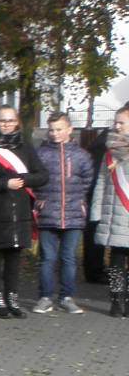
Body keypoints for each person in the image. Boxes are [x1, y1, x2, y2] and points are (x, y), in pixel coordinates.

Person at [0, 105, 44, 319]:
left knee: (14, 259)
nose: (6, 124)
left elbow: (42, 175)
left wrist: (23, 181)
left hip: (19, 212)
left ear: (17, 123)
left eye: (10, 120)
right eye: (2, 120)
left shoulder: (26, 148)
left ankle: (13, 300)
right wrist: (5, 184)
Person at [34, 111, 95, 313]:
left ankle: (67, 296)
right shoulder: (40, 154)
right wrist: (40, 203)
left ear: (70, 129)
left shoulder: (82, 156)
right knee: (47, 258)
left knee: (69, 258)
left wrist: (77, 203)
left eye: (59, 129)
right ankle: (45, 297)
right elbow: (34, 182)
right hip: (47, 214)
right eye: (51, 130)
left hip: (74, 214)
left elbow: (87, 182)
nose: (54, 133)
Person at [91, 103, 129, 316]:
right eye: (116, 122)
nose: (117, 126)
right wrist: (96, 213)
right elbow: (102, 182)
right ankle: (117, 301)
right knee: (116, 260)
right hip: (115, 211)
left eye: (121, 122)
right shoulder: (110, 151)